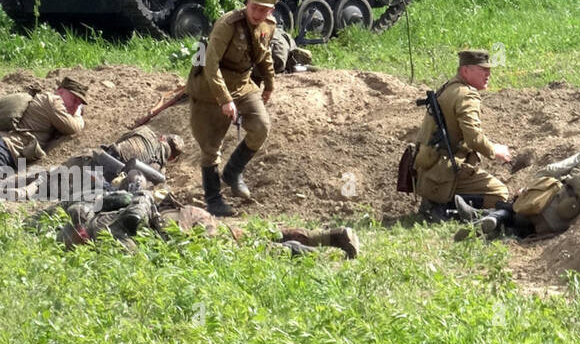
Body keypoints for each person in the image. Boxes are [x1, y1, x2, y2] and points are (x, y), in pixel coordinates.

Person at [186, 0, 279, 217]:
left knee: (261, 127)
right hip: (210, 89)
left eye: (263, 10)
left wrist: (269, 84)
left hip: (243, 85)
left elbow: (264, 55)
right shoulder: (228, 24)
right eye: (254, 8)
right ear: (247, 3)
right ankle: (214, 199)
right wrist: (225, 99)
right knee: (210, 147)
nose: (258, 14)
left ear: (271, 11)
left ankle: (233, 171)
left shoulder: (269, 25)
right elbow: (210, 63)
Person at [44, 191, 360, 259]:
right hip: (185, 215)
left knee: (252, 253)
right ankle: (333, 236)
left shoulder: (107, 233)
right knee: (247, 235)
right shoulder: (106, 209)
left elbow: (140, 260)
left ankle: (312, 256)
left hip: (181, 230)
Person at [466, 126, 580, 239]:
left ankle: (490, 216)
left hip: (541, 208)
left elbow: (553, 170)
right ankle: (500, 224)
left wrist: (528, 188)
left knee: (524, 204)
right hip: (563, 227)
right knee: (526, 226)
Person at [413, 49, 512, 223]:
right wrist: (495, 151)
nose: (488, 73)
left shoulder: (449, 87)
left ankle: (438, 202)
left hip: (431, 167)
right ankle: (447, 208)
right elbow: (473, 138)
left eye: (488, 69)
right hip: (444, 170)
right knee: (500, 194)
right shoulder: (467, 95)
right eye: (482, 69)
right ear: (466, 71)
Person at [2, 125, 183, 202]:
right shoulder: (157, 166)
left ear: (162, 137)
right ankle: (22, 192)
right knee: (50, 189)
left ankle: (11, 187)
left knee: (47, 176)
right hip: (100, 180)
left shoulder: (144, 131)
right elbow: (140, 184)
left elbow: (118, 143)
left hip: (93, 158)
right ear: (172, 157)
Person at [0, 75, 89, 165]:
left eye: (79, 104)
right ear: (61, 92)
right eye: (74, 99)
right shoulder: (53, 101)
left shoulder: (44, 100)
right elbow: (73, 127)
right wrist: (78, 115)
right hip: (6, 148)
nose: (75, 106)